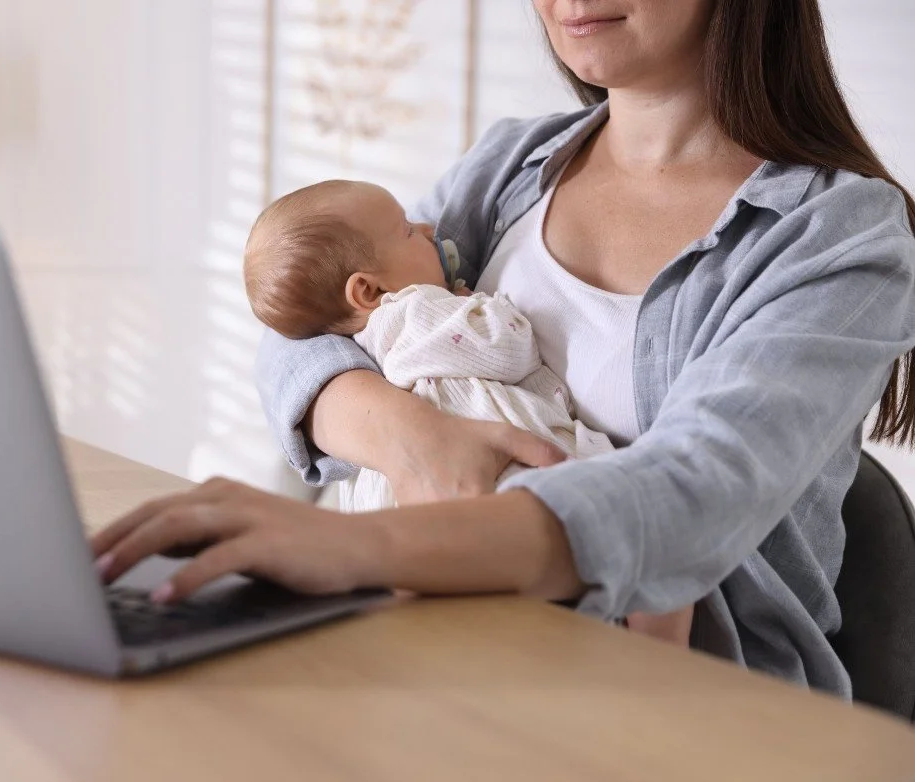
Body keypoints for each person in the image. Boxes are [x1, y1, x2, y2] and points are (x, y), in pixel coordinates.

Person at [92, 0, 915, 695]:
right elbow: (304, 328)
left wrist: (350, 546)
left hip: (683, 698)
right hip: (452, 636)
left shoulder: (839, 233)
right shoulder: (512, 166)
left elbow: (695, 494)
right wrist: (414, 441)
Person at [240, 178, 692, 643]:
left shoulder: (362, 338)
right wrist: (481, 307)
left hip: (406, 507)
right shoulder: (414, 310)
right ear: (368, 292)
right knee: (654, 546)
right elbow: (504, 348)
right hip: (499, 476)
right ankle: (655, 648)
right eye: (408, 231)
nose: (428, 226)